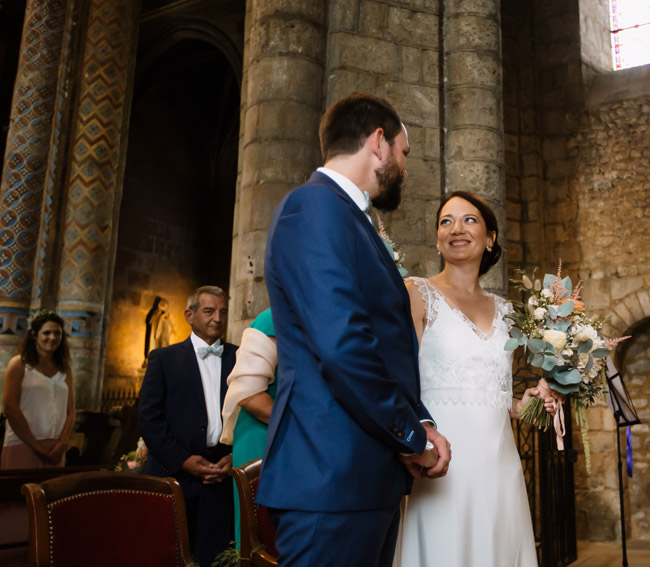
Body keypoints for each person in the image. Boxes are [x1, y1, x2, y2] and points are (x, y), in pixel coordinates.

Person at [261, 92, 451, 567]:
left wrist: (421, 420)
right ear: (379, 143)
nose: (405, 167)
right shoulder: (314, 207)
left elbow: (382, 346)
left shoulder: (349, 217)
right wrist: (413, 438)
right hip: (331, 478)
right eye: (404, 153)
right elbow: (343, 347)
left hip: (360, 476)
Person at [398, 191, 545, 567]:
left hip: (499, 463)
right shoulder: (416, 293)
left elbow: (493, 392)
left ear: (490, 237)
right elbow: (396, 379)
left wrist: (524, 404)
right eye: (446, 221)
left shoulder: (508, 311)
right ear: (436, 239)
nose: (456, 228)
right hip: (441, 456)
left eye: (469, 220)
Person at [138, 285, 237, 567]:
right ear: (189, 315)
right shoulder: (163, 359)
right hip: (175, 475)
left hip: (221, 476)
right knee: (167, 556)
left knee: (217, 557)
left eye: (223, 312)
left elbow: (247, 417)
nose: (217, 318)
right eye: (209, 311)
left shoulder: (239, 357)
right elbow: (149, 419)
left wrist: (234, 457)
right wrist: (183, 460)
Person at [220, 307, 278, 548]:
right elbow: (249, 394)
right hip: (264, 435)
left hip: (292, 436)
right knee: (262, 535)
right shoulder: (270, 320)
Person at [1, 311, 75, 469]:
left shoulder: (65, 368)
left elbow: (71, 411)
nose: (53, 338)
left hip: (55, 449)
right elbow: (10, 408)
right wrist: (36, 446)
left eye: (58, 333)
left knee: (52, 493)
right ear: (35, 335)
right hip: (23, 443)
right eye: (47, 332)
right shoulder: (19, 364)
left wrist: (62, 444)